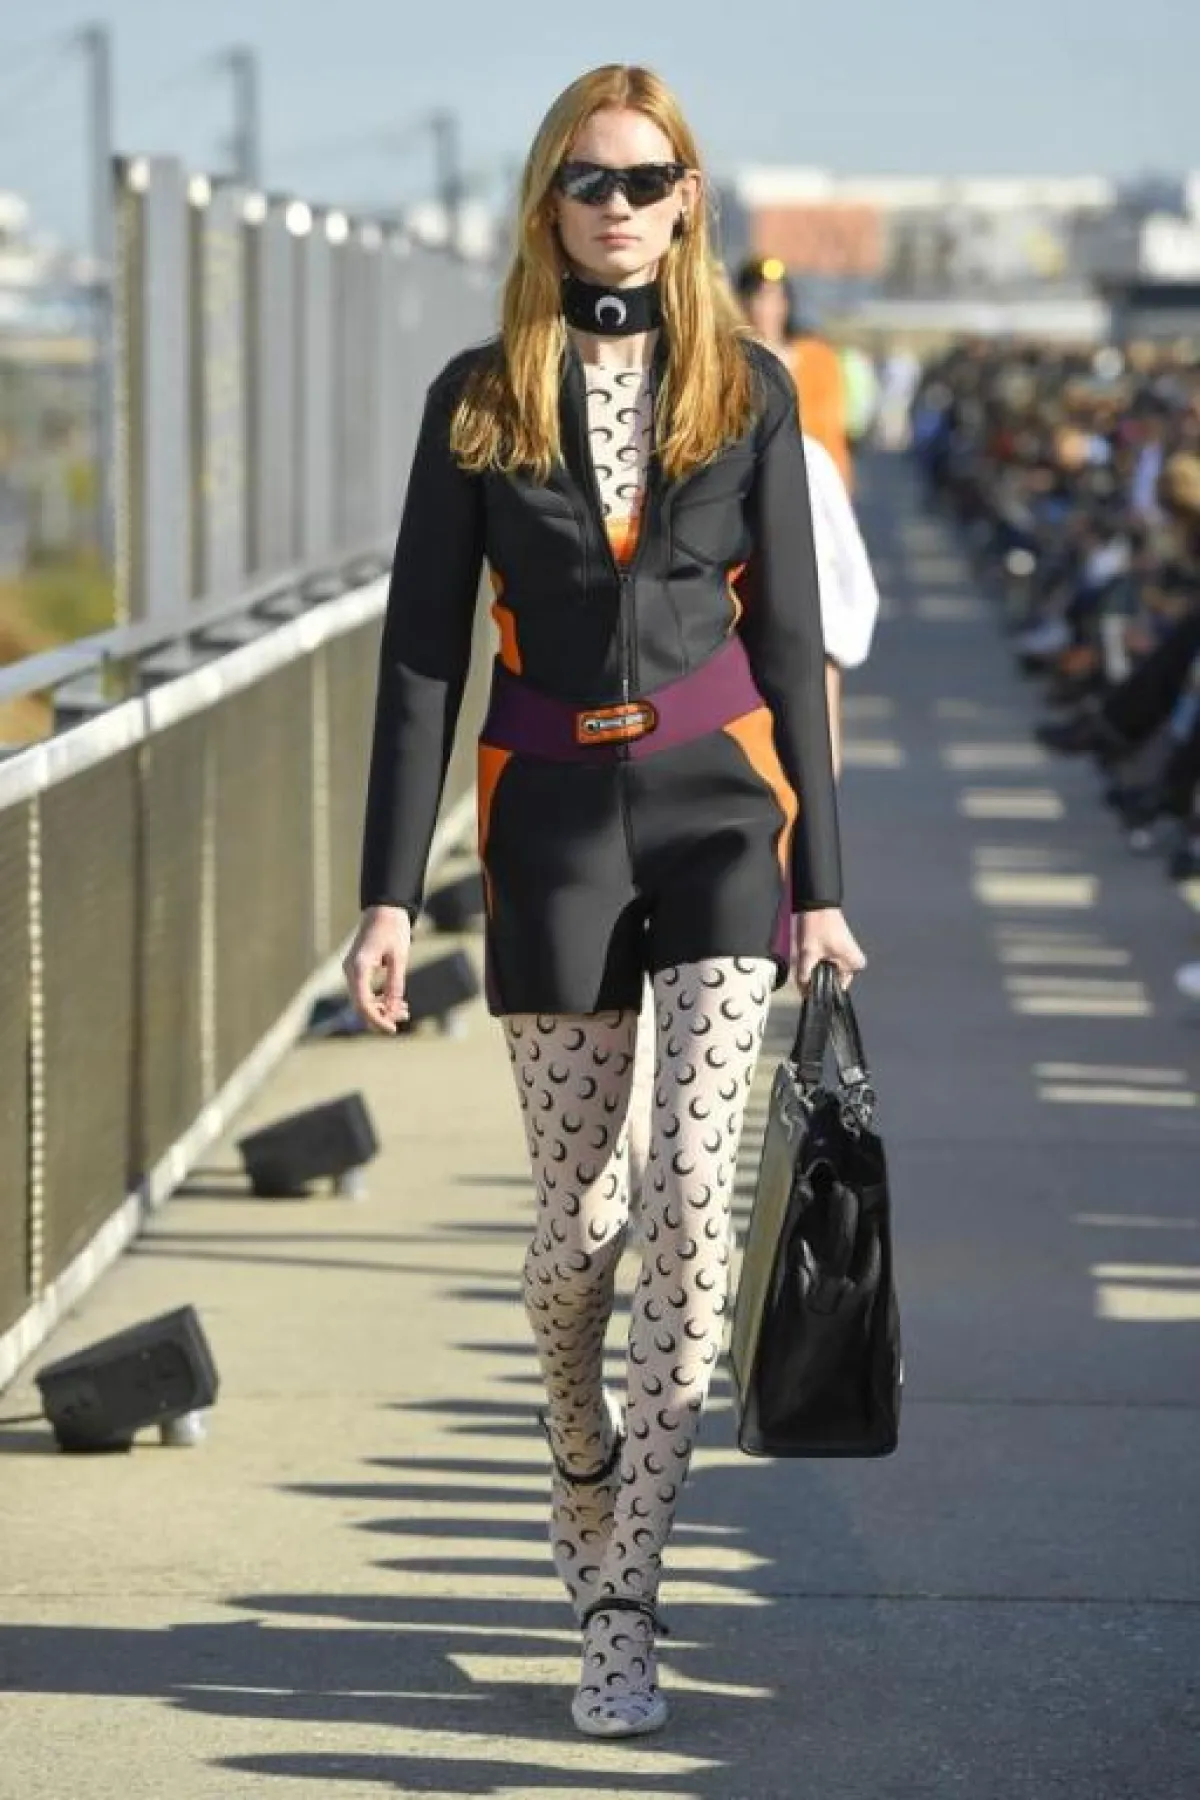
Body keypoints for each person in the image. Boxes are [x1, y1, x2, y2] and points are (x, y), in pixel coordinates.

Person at [343, 62, 865, 1742]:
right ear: (549, 203)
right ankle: (578, 1452)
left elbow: (793, 640)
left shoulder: (748, 387)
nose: (619, 204)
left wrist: (825, 888)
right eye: (591, 178)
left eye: (647, 178)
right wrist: (382, 897)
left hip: (718, 816)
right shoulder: (480, 398)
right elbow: (421, 658)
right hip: (553, 820)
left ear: (689, 198)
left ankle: (625, 1596)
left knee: (694, 1212)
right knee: (577, 1234)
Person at [735, 255, 852, 489]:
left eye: (776, 297)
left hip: (815, 480)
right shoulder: (733, 363)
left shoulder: (818, 358)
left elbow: (832, 429)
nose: (767, 308)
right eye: (759, 297)